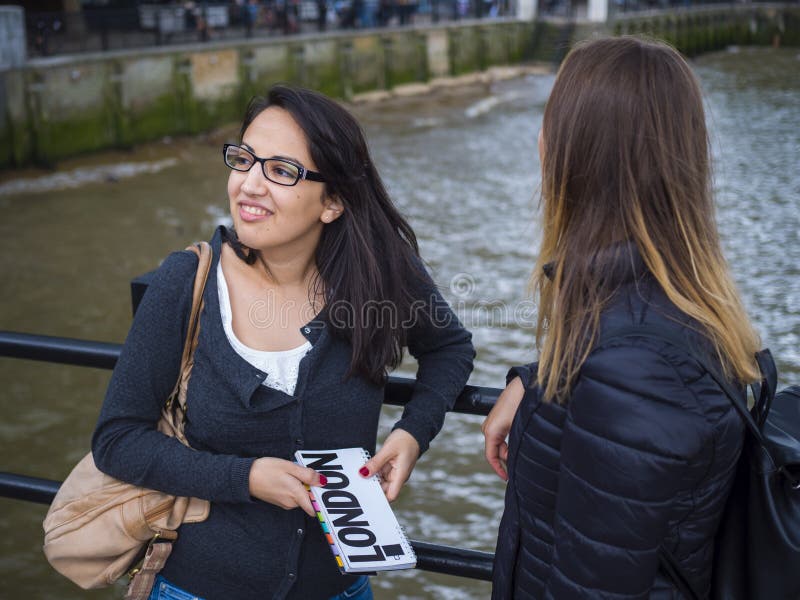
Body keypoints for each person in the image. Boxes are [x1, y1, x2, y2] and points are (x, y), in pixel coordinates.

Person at [92, 84, 474, 600]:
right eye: (244, 159)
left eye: (282, 170)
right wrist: (244, 477)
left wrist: (412, 433)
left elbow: (449, 347)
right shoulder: (187, 283)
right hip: (198, 589)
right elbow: (117, 439)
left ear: (333, 201)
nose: (249, 184)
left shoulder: (378, 274)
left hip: (340, 590)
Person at [482, 36, 760, 599]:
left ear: (573, 154)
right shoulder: (661, 306)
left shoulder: (632, 368)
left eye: (550, 120)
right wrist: (538, 380)